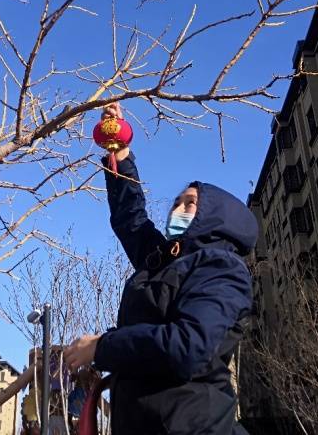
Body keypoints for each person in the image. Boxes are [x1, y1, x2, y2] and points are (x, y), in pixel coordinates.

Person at [64, 103, 256, 435]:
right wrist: (120, 155)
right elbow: (131, 219)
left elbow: (188, 345)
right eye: (176, 202)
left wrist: (102, 346)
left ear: (214, 215)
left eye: (189, 202)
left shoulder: (221, 267)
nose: (177, 209)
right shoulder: (166, 261)